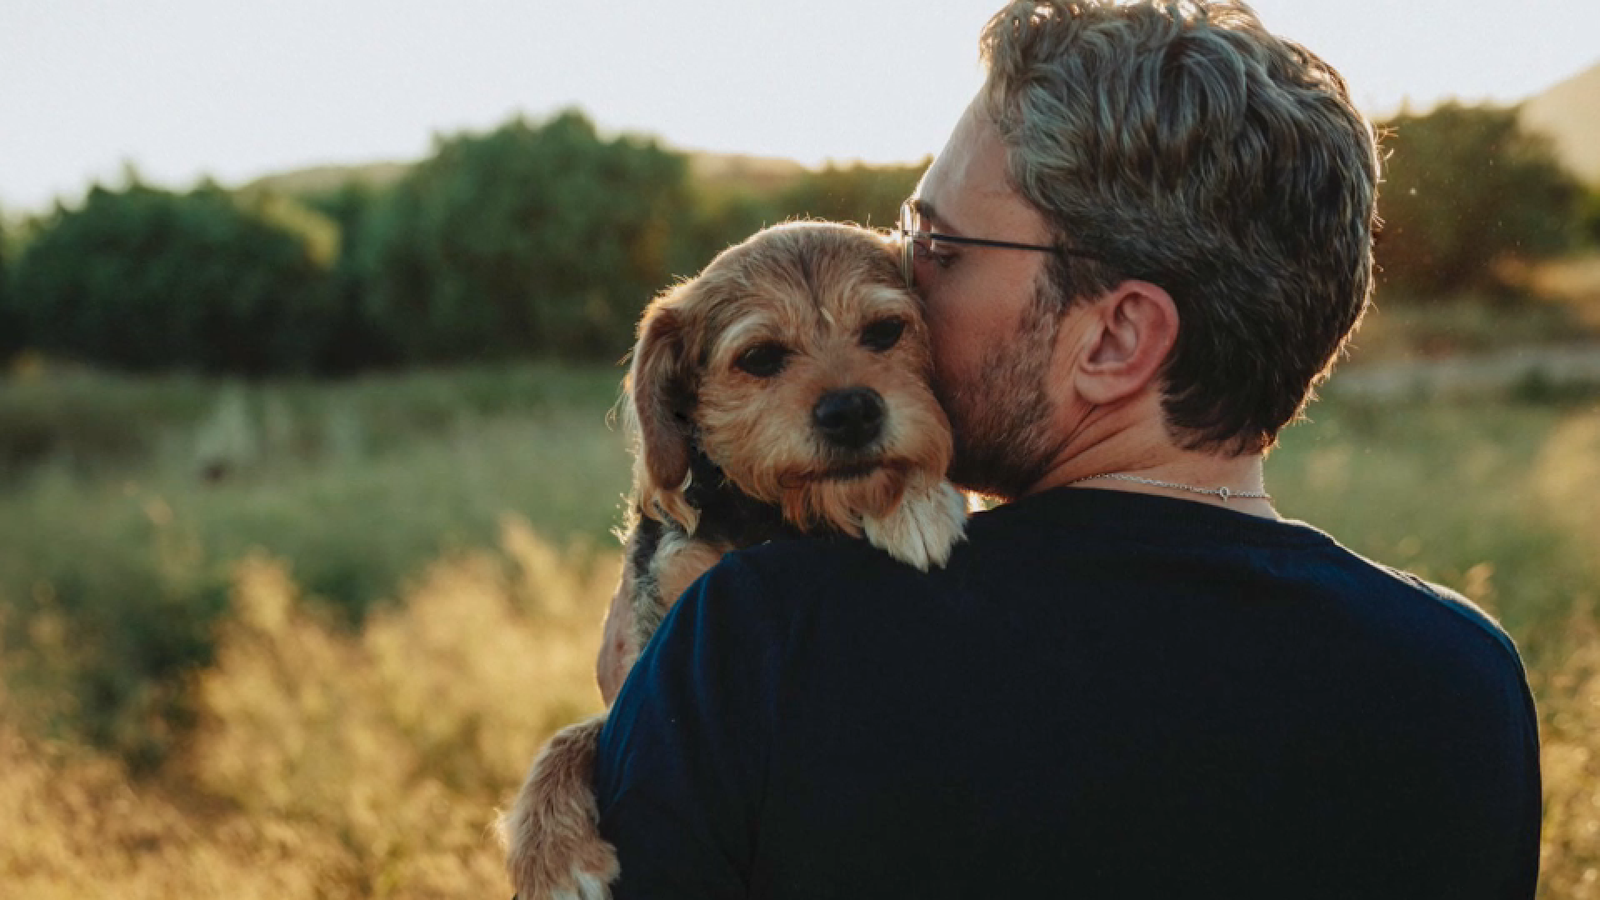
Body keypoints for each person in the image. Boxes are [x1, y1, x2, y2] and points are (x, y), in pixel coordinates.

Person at [591, 1, 1542, 897]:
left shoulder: (759, 636)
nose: (906, 277)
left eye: (941, 247)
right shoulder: (1463, 679)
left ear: (1117, 339)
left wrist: (645, 721)